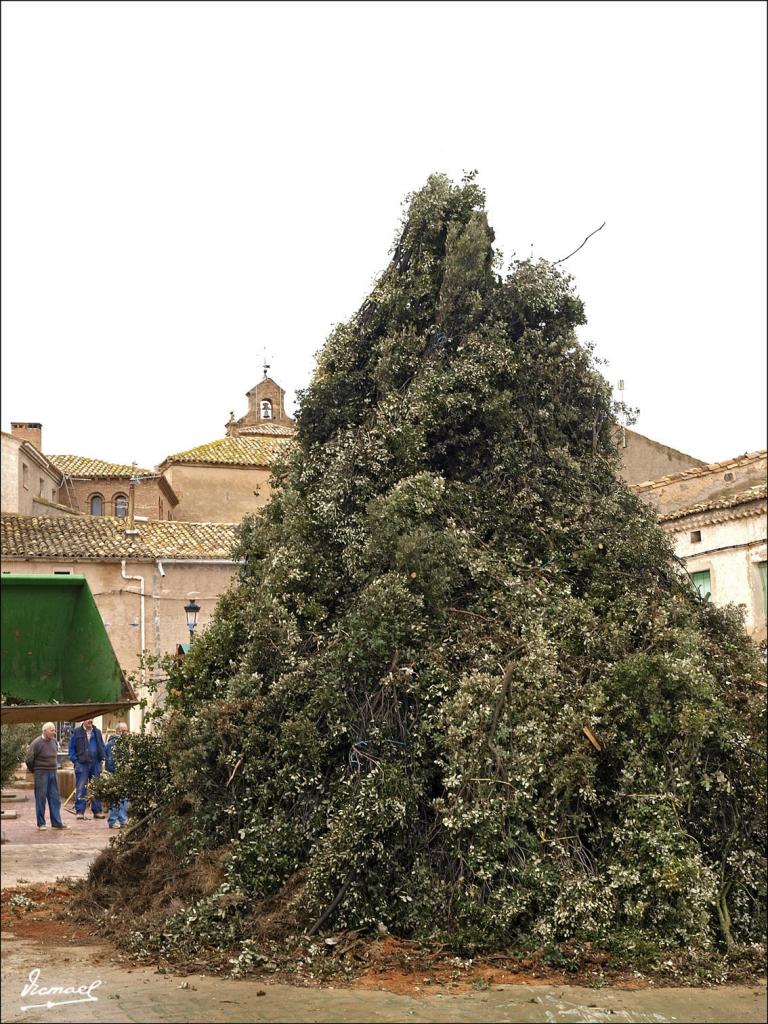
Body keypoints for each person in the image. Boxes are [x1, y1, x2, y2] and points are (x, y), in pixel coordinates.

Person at [25, 723, 70, 830]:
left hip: (53, 773)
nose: (54, 733)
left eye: (54, 730)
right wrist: (35, 770)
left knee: (55, 798)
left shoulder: (54, 741)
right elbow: (29, 759)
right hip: (41, 773)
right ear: (44, 731)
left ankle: (57, 823)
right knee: (41, 799)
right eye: (52, 730)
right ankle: (41, 823)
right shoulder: (36, 743)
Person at [68, 717, 106, 820]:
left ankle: (97, 811)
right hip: (82, 764)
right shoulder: (77, 732)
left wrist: (102, 758)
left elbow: (102, 746)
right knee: (81, 788)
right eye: (88, 719)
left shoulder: (97, 732)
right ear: (83, 720)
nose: (91, 721)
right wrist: (75, 761)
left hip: (95, 763)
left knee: (96, 787)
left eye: (92, 719)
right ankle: (80, 811)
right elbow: (71, 749)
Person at [105, 721, 130, 829]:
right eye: (125, 731)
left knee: (124, 798)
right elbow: (110, 761)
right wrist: (117, 772)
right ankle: (113, 820)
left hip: (123, 774)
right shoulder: (112, 744)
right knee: (115, 798)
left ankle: (122, 819)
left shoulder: (124, 743)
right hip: (115, 774)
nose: (127, 733)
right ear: (118, 731)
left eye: (127, 731)